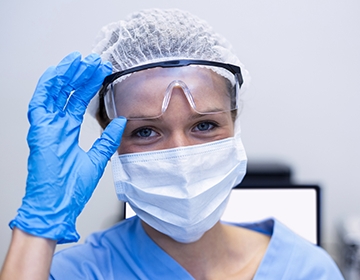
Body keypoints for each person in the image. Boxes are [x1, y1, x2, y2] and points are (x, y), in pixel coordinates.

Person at [0, 8, 344, 280]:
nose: (180, 155)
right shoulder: (77, 272)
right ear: (112, 142)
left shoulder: (306, 270)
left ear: (234, 126)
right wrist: (37, 227)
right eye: (146, 131)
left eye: (204, 125)